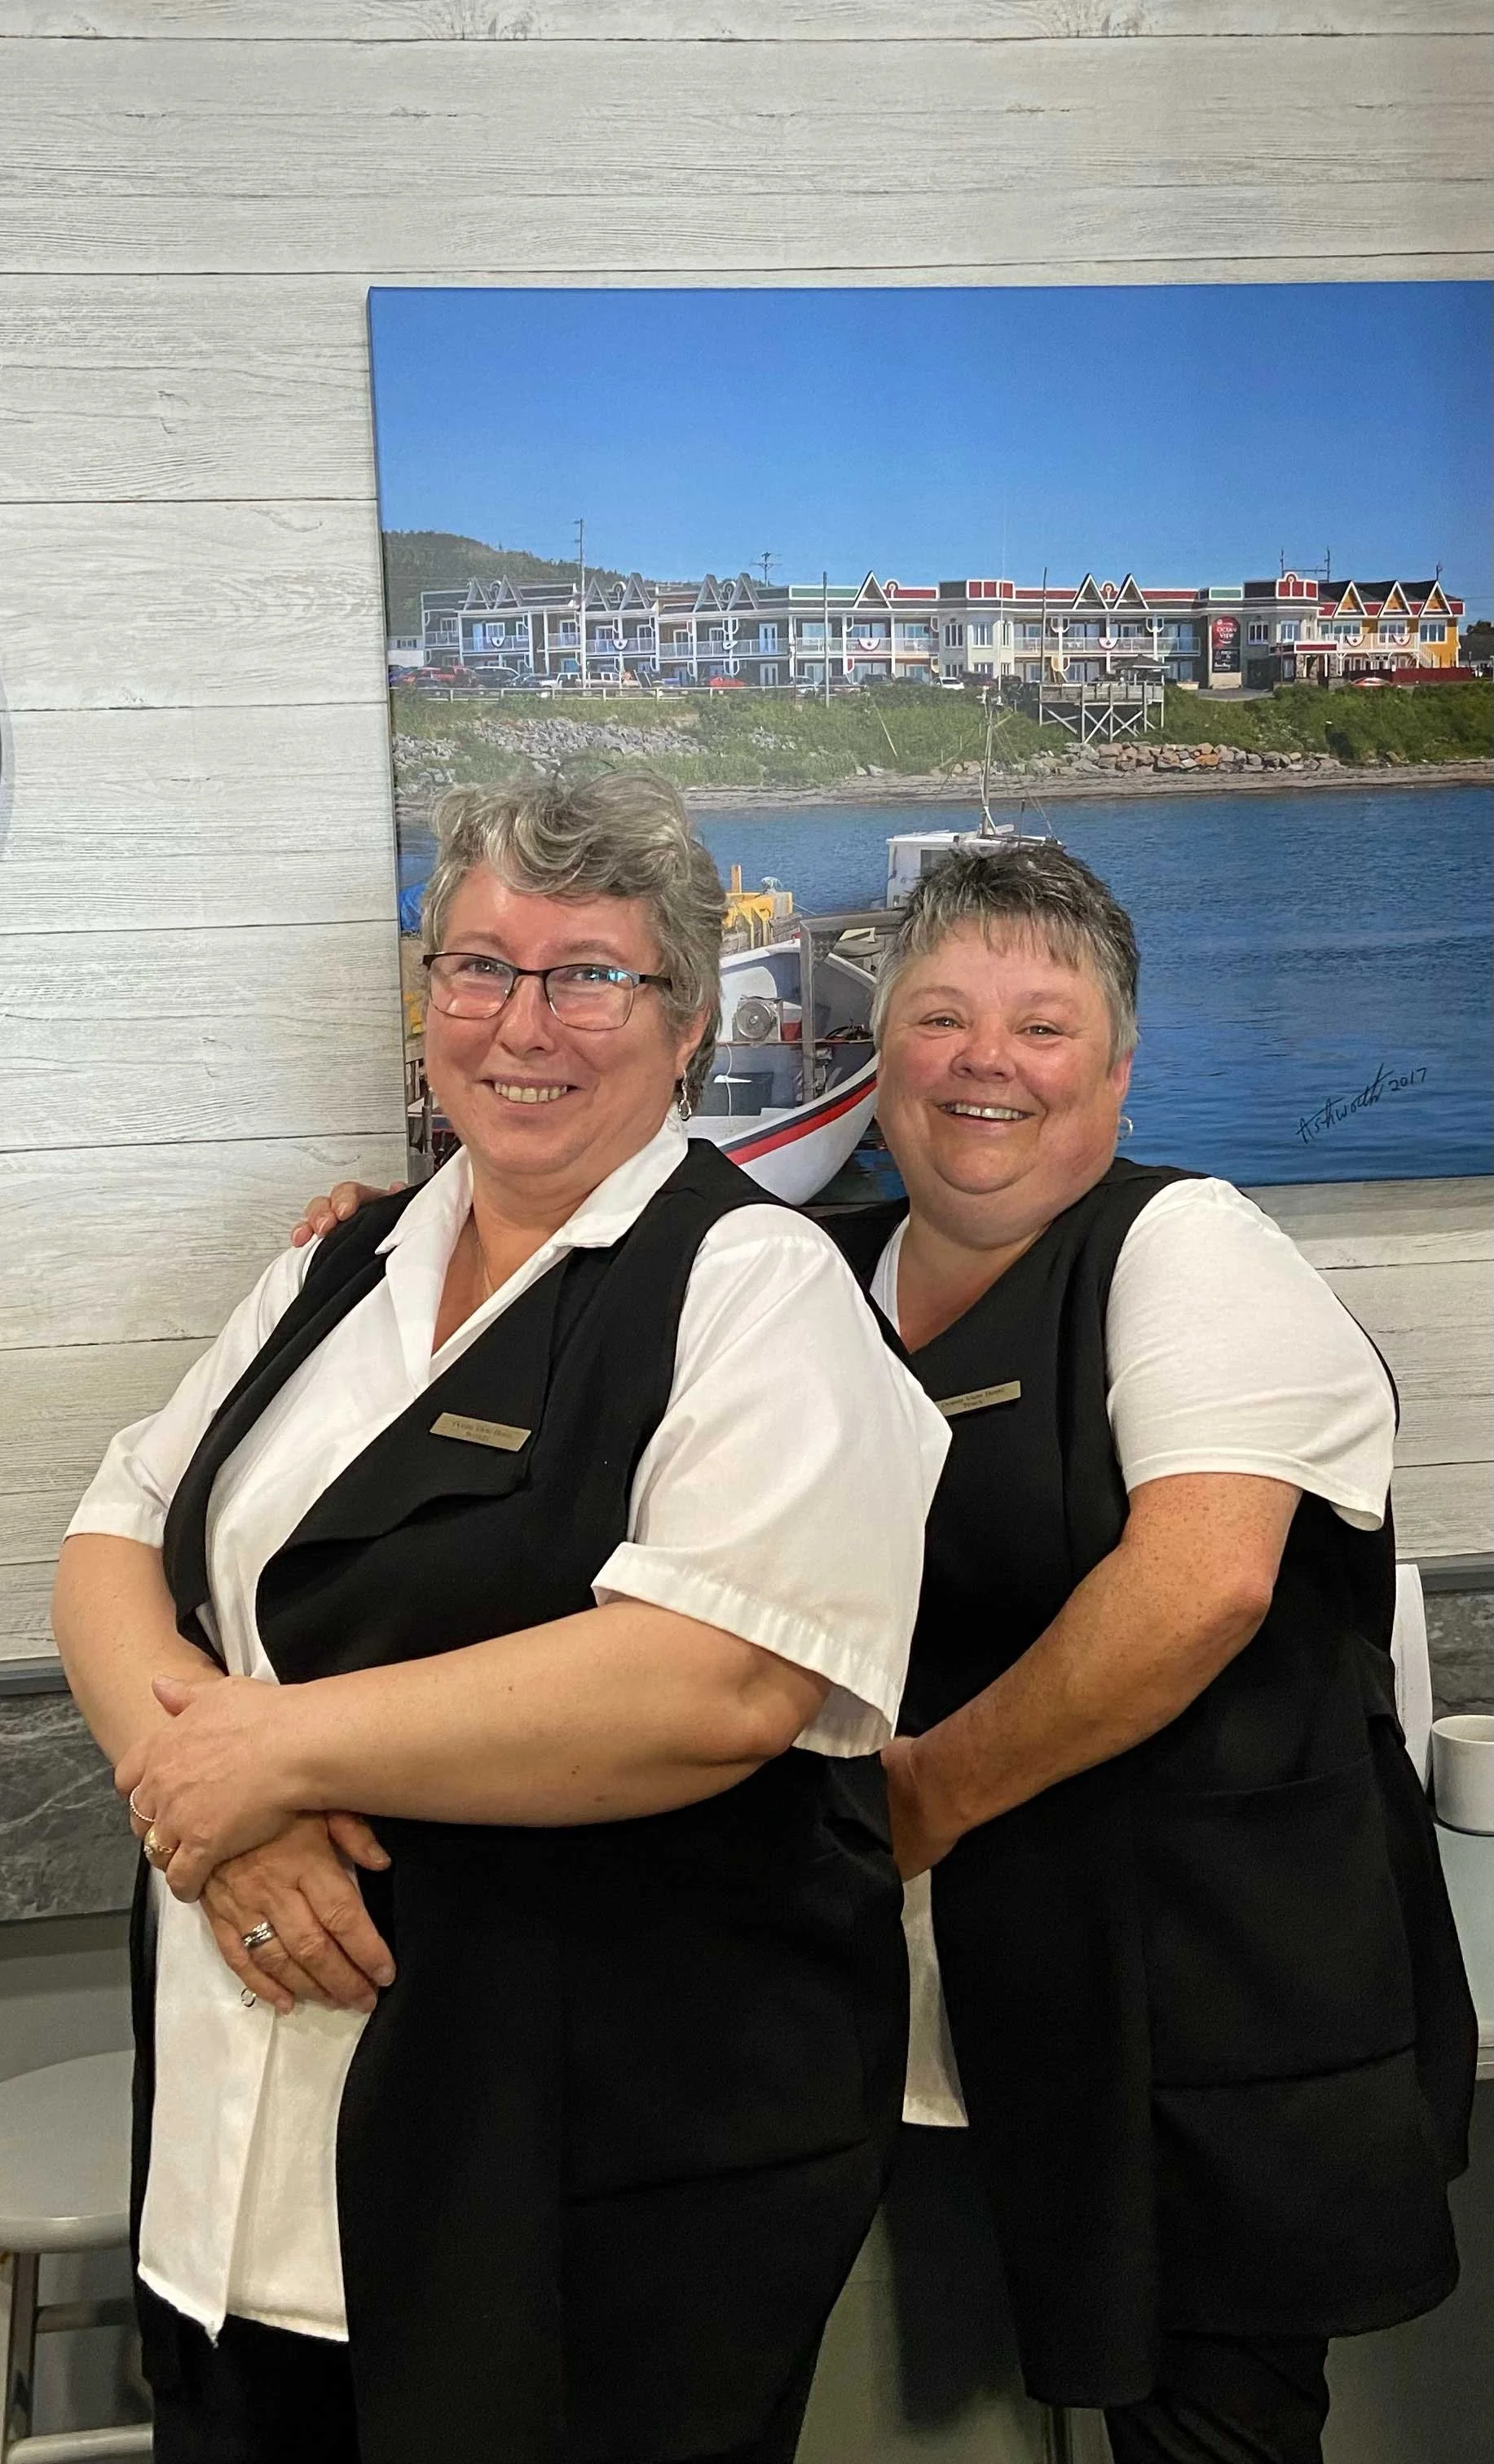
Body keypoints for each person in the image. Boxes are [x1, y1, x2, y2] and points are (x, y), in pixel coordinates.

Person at [293, 838, 1478, 2464]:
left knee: (1208, 2431)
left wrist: (903, 1810)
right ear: (878, 1054)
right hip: (936, 2009)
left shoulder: (1186, 1248)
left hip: (1205, 2004)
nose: (985, 1062)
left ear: (1120, 1073)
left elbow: (1194, 1591)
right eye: (937, 1018)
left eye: (1043, 1027)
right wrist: (424, 1235)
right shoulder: (815, 1275)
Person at [54, 772, 949, 2464]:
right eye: (477, 966)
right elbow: (113, 1537)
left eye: (588, 974)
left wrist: (268, 1751)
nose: (521, 1021)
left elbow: (713, 1681)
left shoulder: (756, 1295)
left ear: (684, 1021)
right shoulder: (342, 1265)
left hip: (579, 2195)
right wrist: (217, 1818)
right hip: (240, 2174)